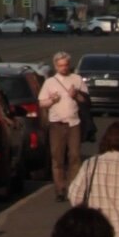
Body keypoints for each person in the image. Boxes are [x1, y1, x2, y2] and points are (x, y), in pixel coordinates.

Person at [37, 51, 86, 196]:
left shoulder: (77, 79)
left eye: (65, 65)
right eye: (60, 66)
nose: (63, 68)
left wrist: (76, 95)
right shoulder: (50, 82)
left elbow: (86, 101)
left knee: (74, 156)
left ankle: (73, 187)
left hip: (74, 124)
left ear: (69, 65)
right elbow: (41, 103)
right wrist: (52, 100)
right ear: (56, 66)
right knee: (57, 157)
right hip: (56, 125)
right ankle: (60, 189)